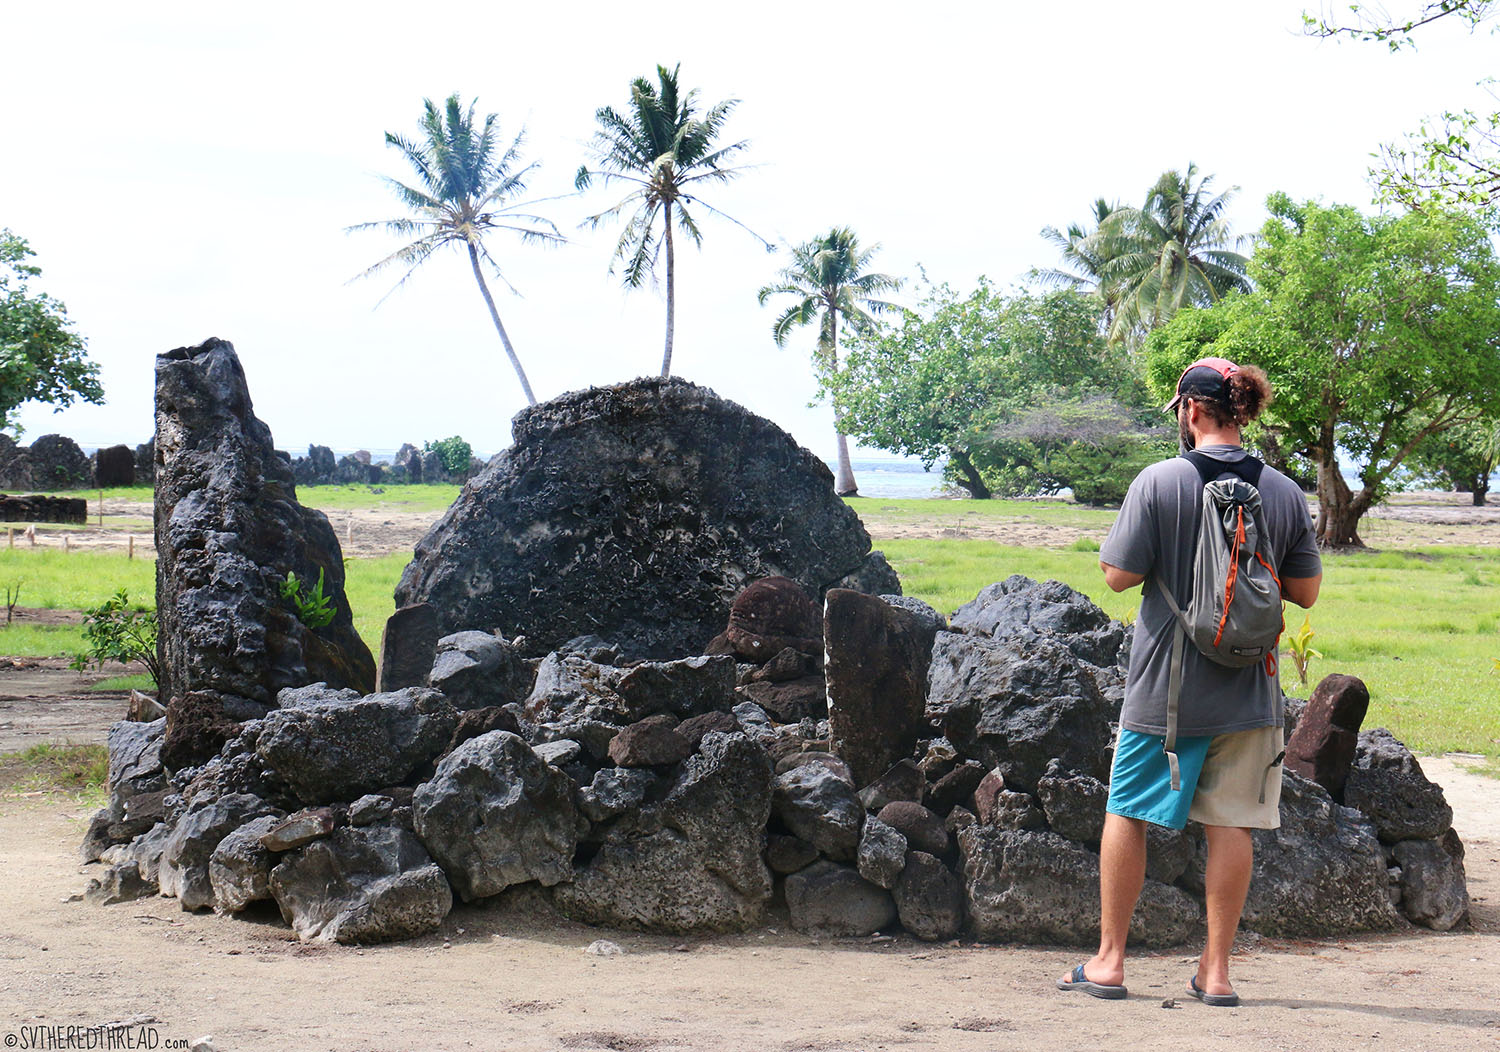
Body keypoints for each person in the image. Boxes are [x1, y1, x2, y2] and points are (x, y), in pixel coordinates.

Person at [1057, 357, 1322, 1007]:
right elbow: (1306, 592)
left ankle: (1110, 962)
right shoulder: (1284, 491)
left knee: (1129, 812)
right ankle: (1217, 973)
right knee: (1231, 825)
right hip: (1252, 691)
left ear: (1193, 410)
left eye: (1179, 409)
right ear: (1241, 411)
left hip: (1165, 693)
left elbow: (1118, 575)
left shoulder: (1160, 480)